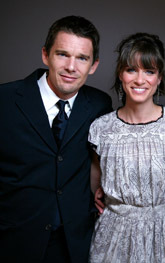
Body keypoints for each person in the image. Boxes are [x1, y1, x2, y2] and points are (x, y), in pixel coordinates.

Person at [0, 16, 112, 262]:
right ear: (45, 55)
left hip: (73, 244)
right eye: (62, 54)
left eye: (82, 58)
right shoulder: (5, 100)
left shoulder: (99, 104)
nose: (72, 67)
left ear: (93, 65)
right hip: (13, 242)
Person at [88, 33, 165, 263]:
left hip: (164, 235)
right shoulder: (101, 129)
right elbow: (94, 189)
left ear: (159, 78)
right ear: (120, 74)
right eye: (131, 70)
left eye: (149, 71)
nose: (140, 80)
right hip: (113, 235)